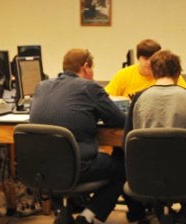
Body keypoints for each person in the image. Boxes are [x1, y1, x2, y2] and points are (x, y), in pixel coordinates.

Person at [29, 48, 126, 224]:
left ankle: (64, 210)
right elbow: (119, 119)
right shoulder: (89, 87)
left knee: (73, 158)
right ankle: (88, 216)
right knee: (123, 165)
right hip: (77, 167)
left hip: (40, 169)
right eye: (92, 68)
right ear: (86, 66)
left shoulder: (41, 86)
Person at [123, 50, 186, 224]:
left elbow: (126, 143)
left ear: (152, 72)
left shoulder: (138, 99)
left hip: (146, 179)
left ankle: (159, 214)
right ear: (178, 72)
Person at [105, 39, 186, 98]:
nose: (149, 62)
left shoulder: (168, 73)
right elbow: (107, 97)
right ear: (138, 58)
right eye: (146, 58)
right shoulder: (124, 74)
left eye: (152, 59)